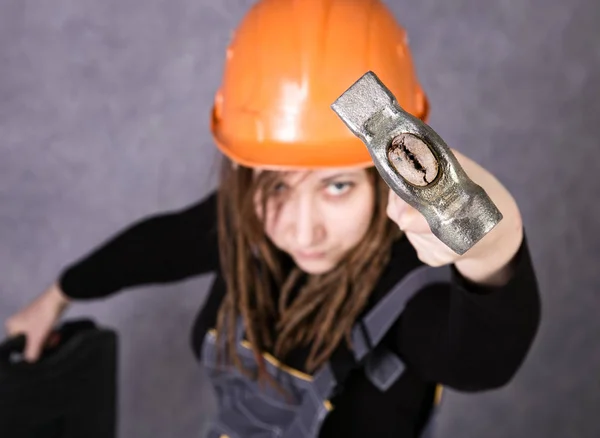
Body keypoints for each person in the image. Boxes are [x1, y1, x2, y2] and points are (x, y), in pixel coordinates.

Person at [4, 0, 541, 436]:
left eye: (337, 186)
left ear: (387, 177)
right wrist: (58, 294)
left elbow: (483, 359)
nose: (301, 231)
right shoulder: (246, 227)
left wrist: (491, 243)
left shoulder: (411, 293)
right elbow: (156, 245)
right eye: (276, 185)